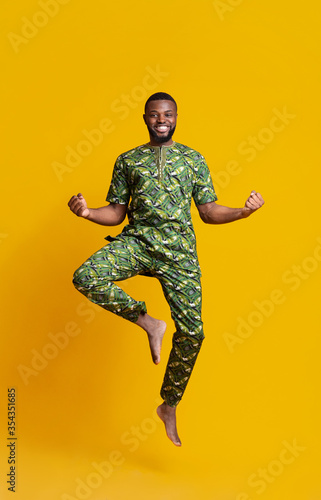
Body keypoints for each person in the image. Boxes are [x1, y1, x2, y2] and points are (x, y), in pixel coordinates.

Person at [68, 92, 264, 447]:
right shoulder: (128, 160)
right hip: (139, 243)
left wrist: (242, 212)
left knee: (193, 333)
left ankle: (169, 404)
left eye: (168, 114)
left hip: (179, 254)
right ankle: (148, 322)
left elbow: (207, 211)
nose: (162, 119)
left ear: (176, 117)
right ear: (145, 118)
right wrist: (86, 213)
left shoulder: (193, 159)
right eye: (155, 114)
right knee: (86, 275)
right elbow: (115, 212)